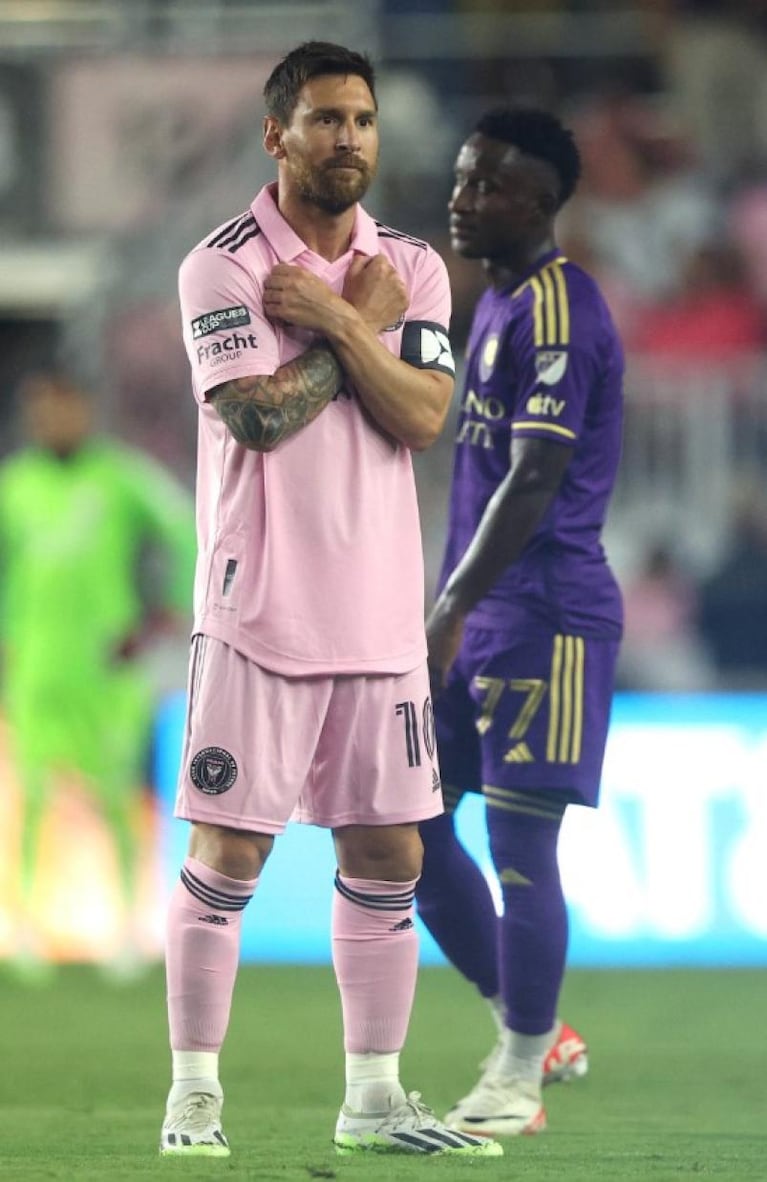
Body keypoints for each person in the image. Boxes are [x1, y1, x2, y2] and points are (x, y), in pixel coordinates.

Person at [161, 41, 502, 1159]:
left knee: (388, 856)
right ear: (277, 137)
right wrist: (342, 326)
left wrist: (346, 318)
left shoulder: (409, 265)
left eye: (360, 119)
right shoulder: (219, 266)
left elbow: (419, 416)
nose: (348, 137)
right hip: (258, 608)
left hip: (376, 616)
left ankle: (371, 1100)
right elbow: (254, 416)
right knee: (229, 856)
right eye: (323, 119)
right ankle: (194, 1098)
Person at [415, 107, 624, 1137]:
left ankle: (514, 1076)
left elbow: (536, 474)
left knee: (516, 847)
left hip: (545, 617)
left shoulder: (555, 308)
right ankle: (530, 1021)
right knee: (402, 828)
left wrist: (447, 603)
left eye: (487, 184)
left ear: (538, 204)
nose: (461, 199)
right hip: (480, 612)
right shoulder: (491, 308)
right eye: (459, 179)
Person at [0, 372, 196, 976]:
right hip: (34, 665)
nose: (53, 422)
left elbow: (184, 532)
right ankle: (22, 930)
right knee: (30, 796)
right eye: (42, 411)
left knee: (118, 795)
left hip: (108, 666)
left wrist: (163, 612)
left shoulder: (120, 477)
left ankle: (129, 932)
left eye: (64, 409)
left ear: (84, 412)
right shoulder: (14, 487)